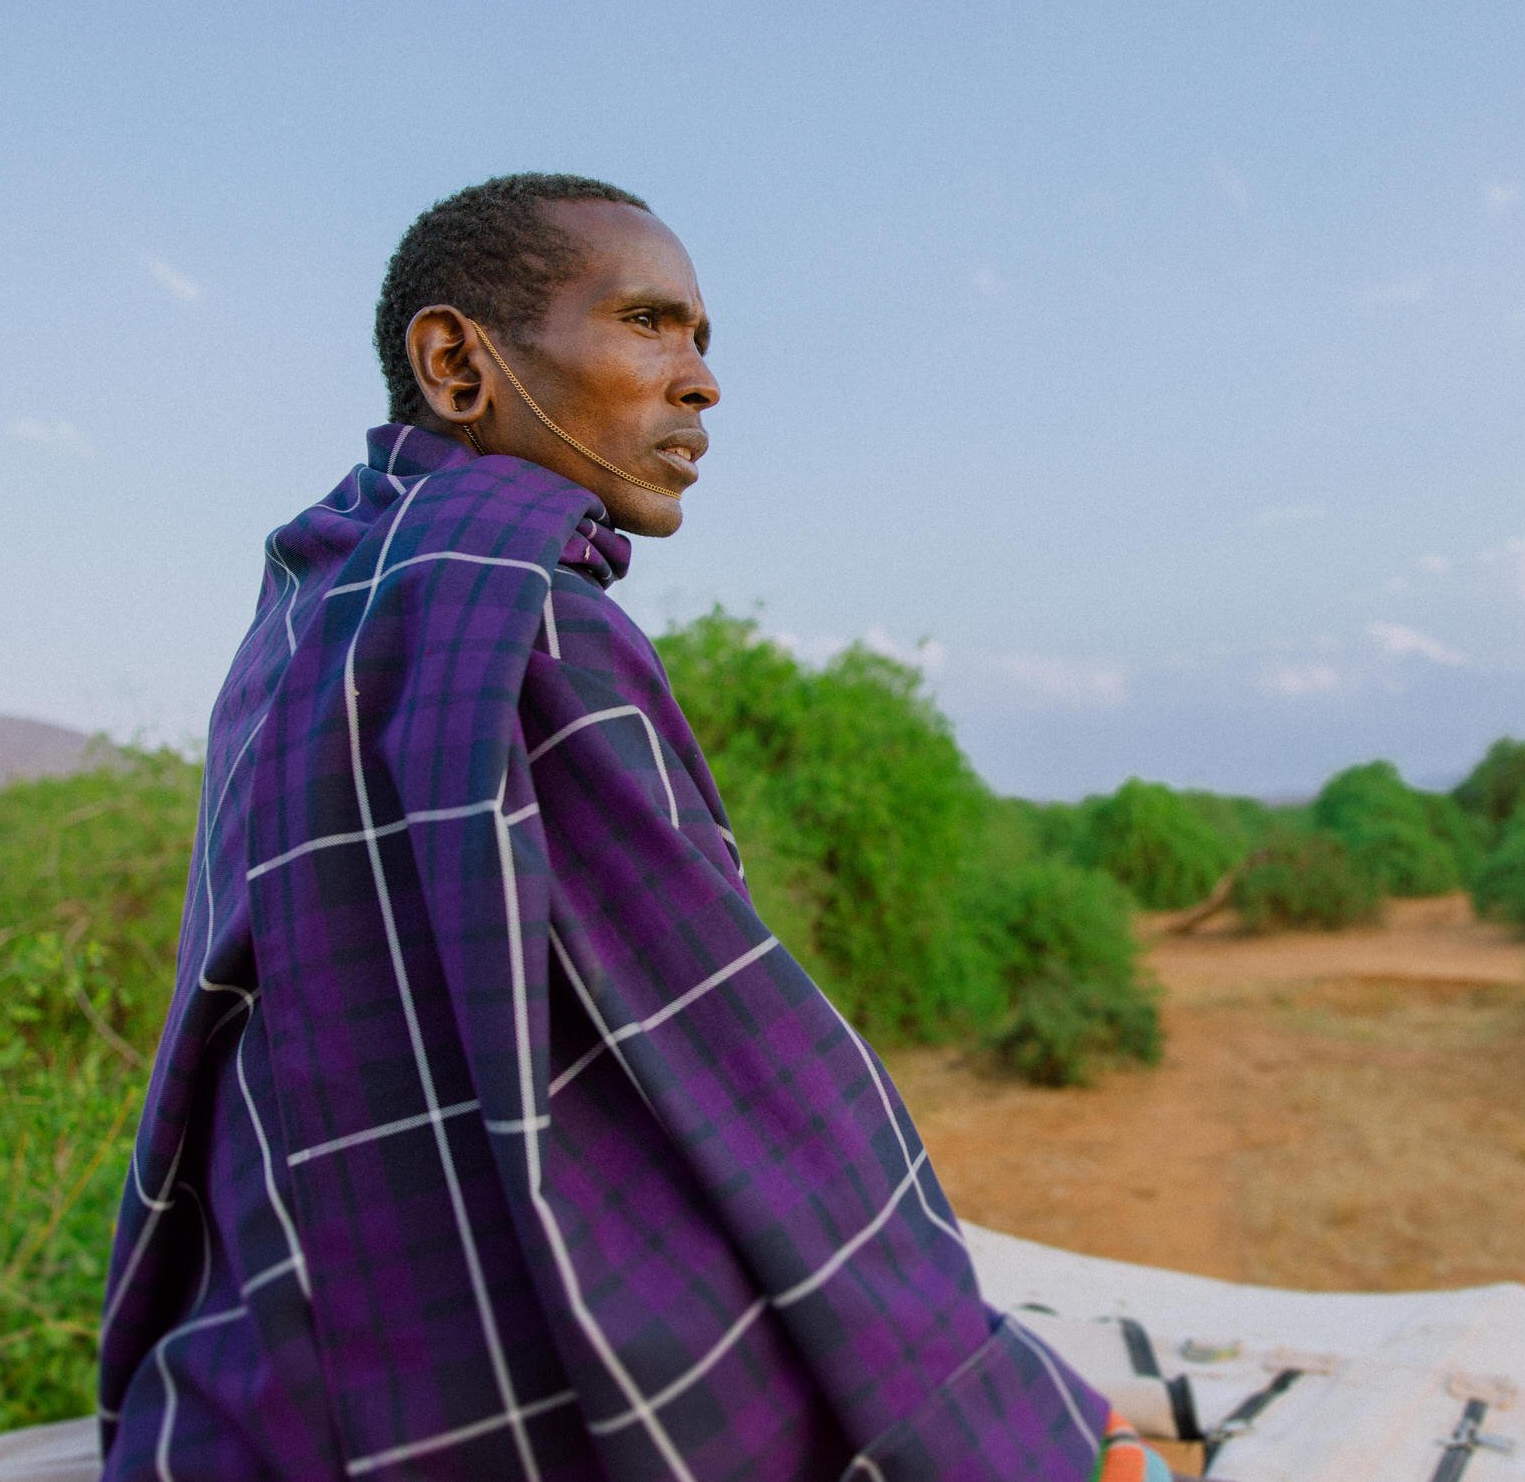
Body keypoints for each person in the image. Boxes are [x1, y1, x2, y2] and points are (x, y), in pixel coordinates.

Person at [97, 175, 1170, 1480]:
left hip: (257, 1385)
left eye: (705, 340)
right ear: (455, 362)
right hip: (493, 1387)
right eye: (652, 322)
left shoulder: (304, 617)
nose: (701, 381)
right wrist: (1019, 1416)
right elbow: (764, 1094)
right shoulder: (529, 621)